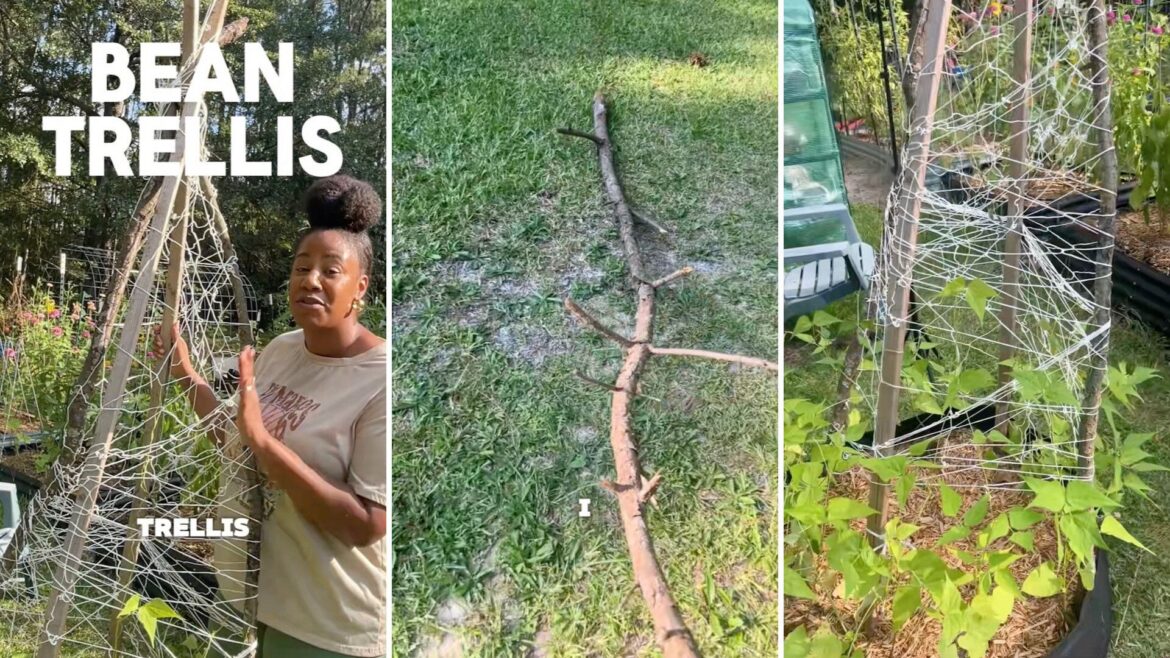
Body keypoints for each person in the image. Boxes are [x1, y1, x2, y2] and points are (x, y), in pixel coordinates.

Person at [158, 175, 387, 658]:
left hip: (328, 622)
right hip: (256, 598)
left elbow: (366, 525)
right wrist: (184, 373)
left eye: (331, 270)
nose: (311, 280)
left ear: (360, 287)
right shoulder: (282, 351)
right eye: (302, 267)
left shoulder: (380, 380)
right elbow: (240, 443)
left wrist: (264, 441)